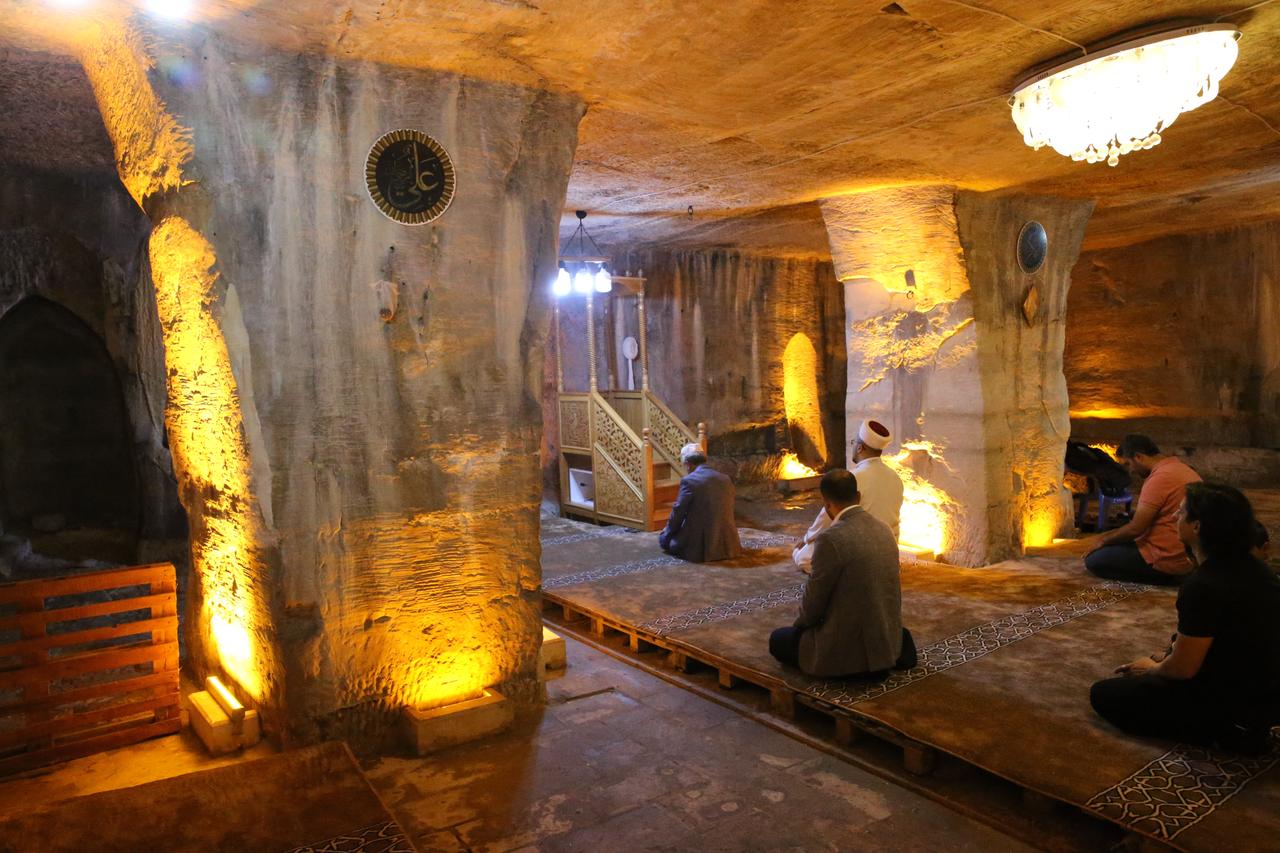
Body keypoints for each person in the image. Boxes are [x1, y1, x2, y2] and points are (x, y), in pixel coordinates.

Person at [1090, 483, 1280, 753]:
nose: (1173, 518)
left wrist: (1153, 668)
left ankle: (1226, 734)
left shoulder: (1204, 584)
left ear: (1197, 527)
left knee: (1105, 694)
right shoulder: (1258, 569)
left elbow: (1183, 669)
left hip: (1236, 705)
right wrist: (1168, 654)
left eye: (1180, 514)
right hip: (1270, 693)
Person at [771, 470, 916, 679]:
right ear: (858, 497)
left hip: (849, 651)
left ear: (827, 504)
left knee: (778, 640)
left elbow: (813, 605)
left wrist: (800, 629)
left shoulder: (830, 539)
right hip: (885, 642)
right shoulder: (884, 529)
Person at [1084, 434, 1201, 586]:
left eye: (1128, 464)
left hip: (1167, 556)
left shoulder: (1159, 478)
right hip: (1187, 552)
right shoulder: (1180, 468)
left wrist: (1103, 540)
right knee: (1115, 542)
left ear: (1138, 457)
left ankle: (1166, 577)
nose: (1130, 470)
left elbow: (1136, 529)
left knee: (1094, 560)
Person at [793, 419, 905, 571]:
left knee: (803, 556)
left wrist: (807, 539)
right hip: (889, 554)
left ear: (859, 448)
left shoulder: (853, 477)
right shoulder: (895, 477)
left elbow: (826, 517)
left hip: (861, 553)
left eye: (853, 443)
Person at [658, 443, 742, 563]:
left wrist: (666, 535)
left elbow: (678, 512)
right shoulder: (725, 478)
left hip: (702, 547)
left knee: (666, 541)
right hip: (729, 546)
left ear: (688, 464)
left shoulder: (689, 481)